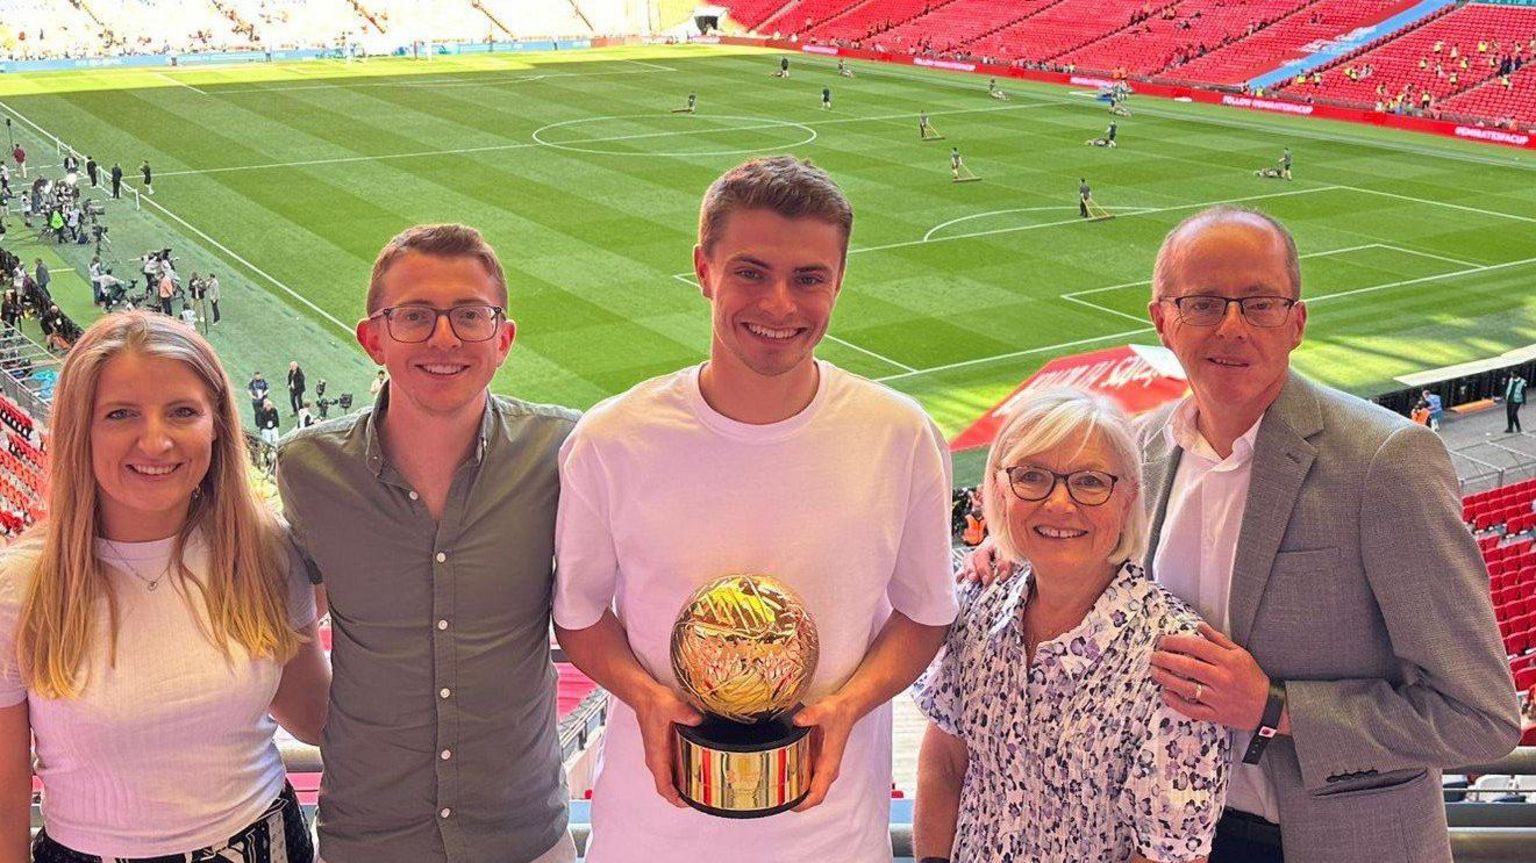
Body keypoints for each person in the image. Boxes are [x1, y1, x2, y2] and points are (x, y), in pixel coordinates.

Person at [964, 205, 1520, 862]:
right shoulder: (1136, 451)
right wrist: (1014, 550)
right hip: (1153, 839)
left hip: (1327, 842)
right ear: (1162, 320)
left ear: (1297, 322)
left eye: (1259, 304)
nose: (1231, 326)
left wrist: (1274, 705)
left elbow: (1481, 716)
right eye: (1202, 303)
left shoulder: (1385, 463)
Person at [553, 156, 956, 862]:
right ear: (703, 269)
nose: (778, 305)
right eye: (750, 270)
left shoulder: (900, 434)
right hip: (651, 837)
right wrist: (646, 697)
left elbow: (925, 613)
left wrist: (847, 703)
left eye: (809, 278)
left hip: (832, 838)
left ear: (839, 282)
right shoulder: (612, 438)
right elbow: (580, 617)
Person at [275, 224, 580, 863]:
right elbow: (287, 627)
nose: (445, 337)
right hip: (368, 838)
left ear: (504, 339)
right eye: (415, 316)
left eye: (470, 315)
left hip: (525, 835)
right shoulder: (309, 468)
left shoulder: (562, 451)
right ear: (373, 339)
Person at [0, 310, 328, 863]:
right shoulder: (22, 587)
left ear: (217, 425)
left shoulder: (261, 548)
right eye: (121, 414)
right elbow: (6, 801)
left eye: (182, 412)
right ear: (81, 428)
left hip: (266, 844)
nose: (155, 441)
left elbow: (315, 715)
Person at [914, 387, 1229, 863]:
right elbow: (944, 762)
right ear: (999, 489)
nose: (1059, 504)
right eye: (1032, 477)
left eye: (1089, 482)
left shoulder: (1173, 658)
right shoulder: (975, 605)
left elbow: (1168, 855)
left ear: (1127, 498)